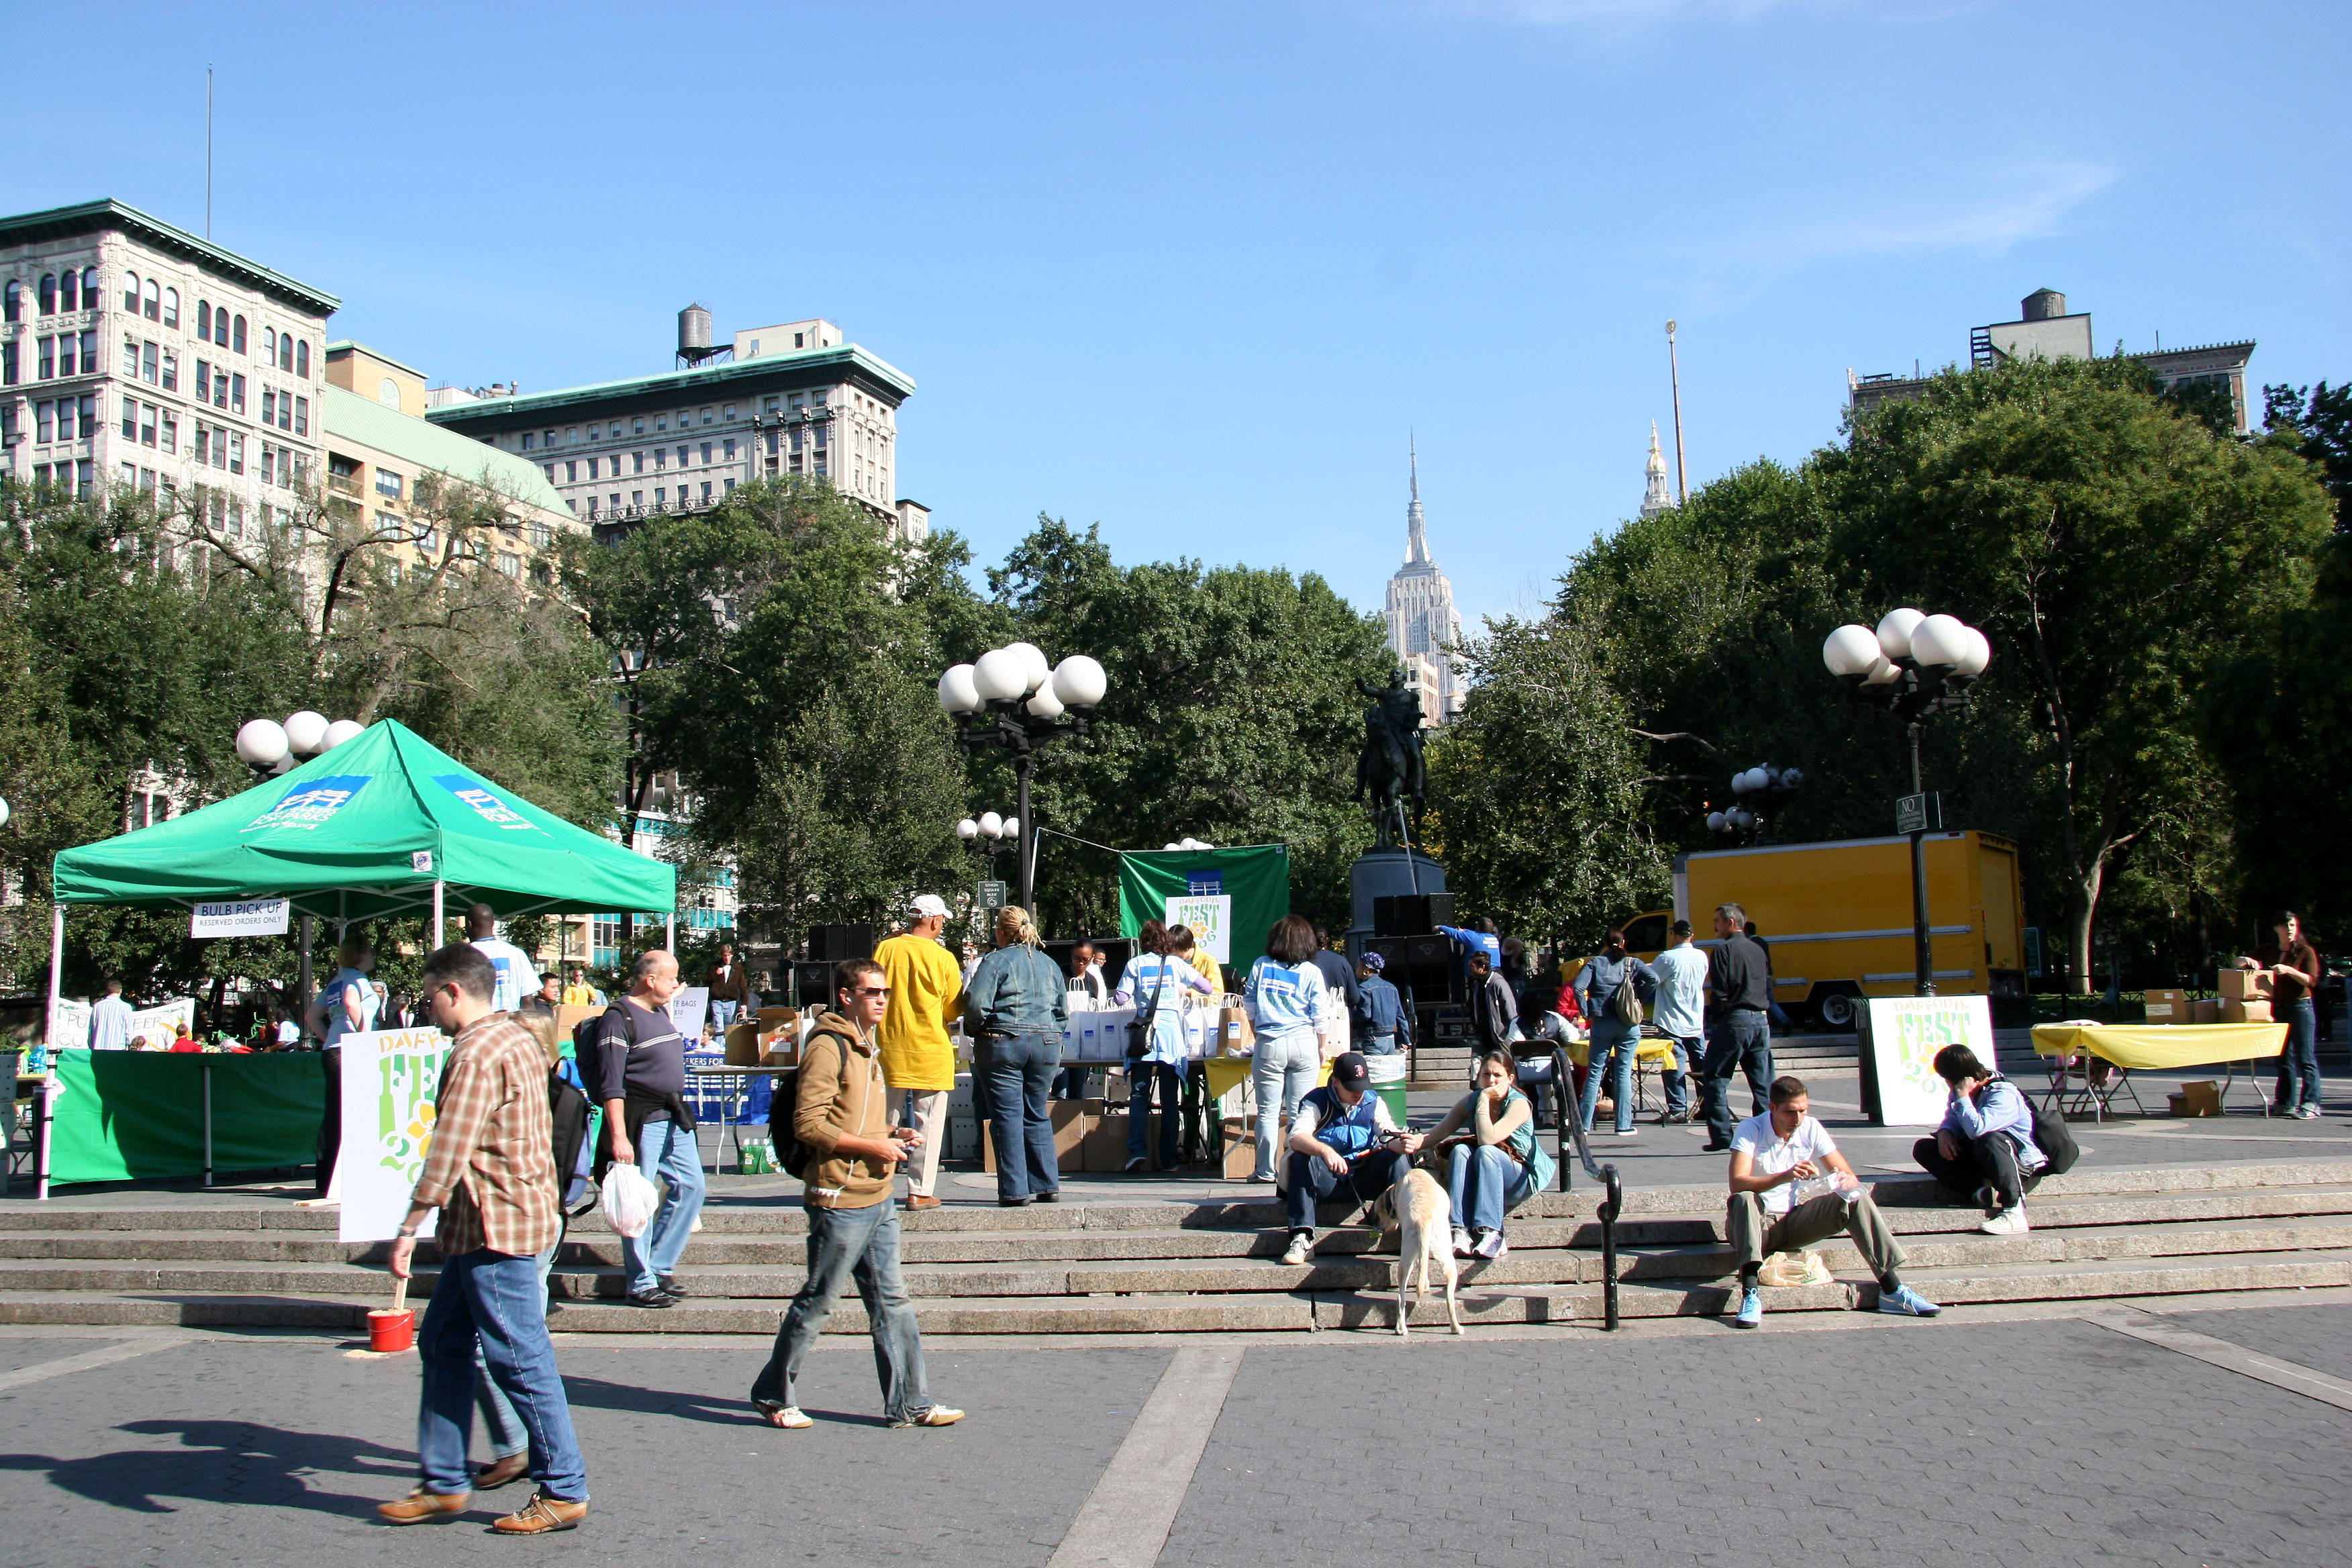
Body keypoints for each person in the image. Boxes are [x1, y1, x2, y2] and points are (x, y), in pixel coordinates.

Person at [376, 942, 587, 1534]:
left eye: (428, 998)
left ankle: (564, 1487)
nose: (428, 1011)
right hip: (496, 1219)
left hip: (498, 1225)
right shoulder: (518, 1037)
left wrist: (409, 1222)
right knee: (443, 1341)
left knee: (519, 1359)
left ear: (452, 992)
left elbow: (451, 1141)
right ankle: (444, 1481)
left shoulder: (476, 1051)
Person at [750, 958, 964, 1431]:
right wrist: (873, 1144)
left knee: (893, 1301)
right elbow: (810, 1124)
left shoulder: (869, 1045)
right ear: (847, 996)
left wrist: (892, 1132)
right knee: (820, 1300)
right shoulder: (828, 1046)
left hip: (877, 1193)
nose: (883, 999)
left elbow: (853, 1115)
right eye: (872, 992)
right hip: (839, 1195)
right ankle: (772, 1391)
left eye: (885, 992)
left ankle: (911, 1401)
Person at [1726, 1076, 1940, 1328]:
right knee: (1745, 1199)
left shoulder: (1811, 1128)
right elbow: (1737, 1183)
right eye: (1790, 1112)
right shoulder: (1751, 1129)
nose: (1798, 1119)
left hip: (1792, 1221)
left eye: (1804, 1110)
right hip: (1754, 1225)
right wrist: (1784, 1177)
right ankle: (1750, 1293)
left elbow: (1847, 1176)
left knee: (1855, 1198)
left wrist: (1838, 1182)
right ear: (1773, 1108)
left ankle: (1892, 1288)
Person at [469, 1010, 579, 1494]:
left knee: (506, 1349)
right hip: (543, 1216)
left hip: (516, 1222)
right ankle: (532, 1453)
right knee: (514, 1343)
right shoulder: (560, 1089)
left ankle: (533, 1455)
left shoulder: (523, 1092)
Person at [594, 949, 703, 1308]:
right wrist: (619, 1137)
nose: (677, 983)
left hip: (673, 1115)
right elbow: (612, 1083)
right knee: (637, 1204)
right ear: (650, 980)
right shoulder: (619, 1017)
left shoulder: (659, 1012)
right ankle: (640, 1281)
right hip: (641, 1119)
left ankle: (659, 1265)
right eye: (671, 977)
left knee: (691, 1186)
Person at [963, 905, 1071, 1207]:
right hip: (1046, 1043)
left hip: (1003, 1041)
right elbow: (1062, 1012)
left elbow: (975, 1004)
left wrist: (975, 1029)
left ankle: (1015, 1190)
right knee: (1036, 1112)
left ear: (1002, 932)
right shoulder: (1050, 964)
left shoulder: (995, 961)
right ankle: (1047, 1184)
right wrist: (1050, 1034)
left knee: (1007, 1116)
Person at [1277, 1051, 1420, 1265]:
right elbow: (1296, 1137)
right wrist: (1325, 1151)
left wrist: (1401, 1143)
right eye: (1352, 1088)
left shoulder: (1373, 1101)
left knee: (1397, 1158)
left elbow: (1386, 1132)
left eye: (1362, 1087)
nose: (1358, 1094)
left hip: (1362, 1176)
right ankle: (1302, 1237)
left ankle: (1409, 1232)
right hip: (1327, 1179)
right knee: (1301, 1158)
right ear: (1335, 1082)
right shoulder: (1316, 1101)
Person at [875, 894, 964, 1211]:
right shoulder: (944, 959)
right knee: (929, 1124)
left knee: (883, 1122)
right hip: (931, 1051)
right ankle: (920, 1192)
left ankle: (877, 1186)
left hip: (890, 1048)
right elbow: (954, 1010)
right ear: (935, 921)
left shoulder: (886, 949)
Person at [1422, 1050, 1555, 1259]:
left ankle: (1493, 1233)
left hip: (1520, 1178)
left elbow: (1488, 1139)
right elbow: (1439, 1132)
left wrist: (1484, 1099)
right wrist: (1412, 1142)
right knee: (1461, 1150)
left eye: (1497, 1075)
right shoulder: (1472, 1099)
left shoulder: (1518, 1103)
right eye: (1486, 1074)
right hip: (1485, 1175)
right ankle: (1460, 1230)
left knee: (1486, 1151)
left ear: (1510, 1079)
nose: (1491, 1080)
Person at [1912, 1043, 2045, 1235]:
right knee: (1925, 1148)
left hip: (2018, 1167)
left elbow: (1978, 1129)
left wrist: (1963, 1097)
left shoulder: (2003, 1093)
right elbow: (1953, 1118)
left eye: (1946, 1079)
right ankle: (1978, 1191)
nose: (1947, 1085)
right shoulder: (1961, 1092)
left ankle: (2014, 1210)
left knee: (1989, 1139)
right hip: (1985, 1160)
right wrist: (1945, 1132)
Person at [1115, 921, 1214, 1173]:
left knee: (1139, 1096)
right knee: (1170, 1100)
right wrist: (1182, 990)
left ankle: (1137, 1152)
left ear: (1144, 941)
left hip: (1143, 1037)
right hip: (1170, 1038)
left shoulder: (1134, 964)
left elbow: (1120, 998)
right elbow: (1208, 988)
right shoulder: (1177, 964)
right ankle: (1169, 1159)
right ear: (1167, 942)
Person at [1245, 916, 1330, 1183]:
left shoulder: (1261, 965)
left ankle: (1265, 1170)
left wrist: (1257, 1032)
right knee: (1301, 1111)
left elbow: (1249, 1004)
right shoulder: (1311, 971)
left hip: (1270, 1040)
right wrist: (1322, 1044)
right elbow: (1321, 1014)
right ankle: (1294, 1169)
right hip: (1304, 1040)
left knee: (1268, 1110)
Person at [309, 937, 381, 1195]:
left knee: (333, 1115)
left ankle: (326, 1179)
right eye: (370, 952)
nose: (374, 956)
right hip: (351, 1050)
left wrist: (327, 1036)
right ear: (360, 955)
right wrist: (362, 1034)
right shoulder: (358, 980)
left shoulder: (336, 981)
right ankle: (353, 1178)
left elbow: (311, 1016)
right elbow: (352, 1003)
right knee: (357, 1113)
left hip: (331, 1049)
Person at [1701, 903, 1774, 1154]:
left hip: (1735, 1019)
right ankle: (1768, 1134)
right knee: (1762, 1081)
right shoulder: (1757, 948)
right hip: (1760, 1019)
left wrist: (1717, 1018)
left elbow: (1720, 991)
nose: (1715, 926)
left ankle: (1722, 1135)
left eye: (1718, 921)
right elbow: (1765, 982)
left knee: (1715, 1077)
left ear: (1731, 922)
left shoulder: (1723, 950)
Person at [1572, 931, 1655, 1137]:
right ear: (1624, 942)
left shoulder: (1595, 964)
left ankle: (1584, 1124)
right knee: (1624, 1073)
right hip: (1628, 1024)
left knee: (1594, 1073)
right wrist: (1638, 999)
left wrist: (1586, 1009)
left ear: (1605, 944)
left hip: (1601, 1023)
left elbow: (1578, 987)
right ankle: (1623, 1124)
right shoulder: (1632, 963)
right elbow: (1654, 979)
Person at [2243, 912, 2323, 1119]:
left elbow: (2312, 981)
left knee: (2305, 1057)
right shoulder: (2269, 950)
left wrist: (2289, 970)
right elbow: (2240, 961)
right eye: (2285, 925)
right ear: (2276, 929)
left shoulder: (2305, 951)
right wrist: (2245, 961)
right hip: (2278, 1009)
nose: (2290, 929)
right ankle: (2285, 1103)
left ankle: (2311, 1103)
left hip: (2301, 1007)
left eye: (2293, 925)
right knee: (2283, 1058)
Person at [1647, 919, 1707, 1126]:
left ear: (1674, 935)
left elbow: (1651, 978)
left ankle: (1678, 1108)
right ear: (1692, 935)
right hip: (1695, 1018)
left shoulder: (1668, 957)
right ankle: (1708, 1103)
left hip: (1671, 1018)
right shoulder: (1701, 956)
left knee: (1674, 1065)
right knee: (1700, 1063)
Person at [1510, 997, 1579, 1126]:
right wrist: (1561, 1043)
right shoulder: (1555, 1017)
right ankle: (1553, 1115)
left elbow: (1515, 1045)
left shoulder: (1517, 1022)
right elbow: (1572, 1036)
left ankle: (1543, 1114)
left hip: (1528, 1070)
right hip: (1554, 1066)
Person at [464, 904, 542, 1016]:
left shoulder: (464, 955)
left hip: (477, 1026)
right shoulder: (516, 953)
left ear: (469, 924)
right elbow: (528, 1000)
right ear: (493, 923)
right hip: (509, 1027)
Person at [1055, 940, 1109, 1099]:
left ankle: (1075, 1123)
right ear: (1071, 955)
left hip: (1084, 1043)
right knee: (1061, 1092)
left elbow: (1097, 1010)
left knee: (1077, 1090)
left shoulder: (1092, 981)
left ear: (1092, 958)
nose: (1080, 963)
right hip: (1061, 1042)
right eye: (1076, 958)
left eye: (1085, 960)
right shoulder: (1060, 975)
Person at [1310, 926, 1362, 1060]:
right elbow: (1355, 997)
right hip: (1339, 1021)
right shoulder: (1342, 961)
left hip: (1312, 1023)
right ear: (1327, 940)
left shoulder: (1305, 963)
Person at [1351, 951, 1412, 1055]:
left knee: (1375, 1070)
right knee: (1387, 1070)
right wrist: (1406, 1039)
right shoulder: (1391, 987)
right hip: (1390, 1037)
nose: (1356, 968)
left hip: (1373, 1037)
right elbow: (1400, 1016)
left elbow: (1365, 1015)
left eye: (1359, 965)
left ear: (1367, 969)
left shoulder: (1364, 988)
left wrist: (1351, 1013)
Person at [1467, 949, 1518, 1057]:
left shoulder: (1498, 983)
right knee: (1477, 1067)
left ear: (1483, 968)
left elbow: (1510, 1011)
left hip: (1500, 1038)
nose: (1469, 970)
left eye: (1472, 966)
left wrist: (1506, 1033)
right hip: (1482, 1035)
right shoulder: (1477, 984)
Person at [705, 942, 748, 1035]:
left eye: (729, 955)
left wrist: (744, 1003)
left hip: (731, 1001)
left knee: (730, 1026)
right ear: (722, 956)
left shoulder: (737, 967)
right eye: (725, 955)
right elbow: (706, 980)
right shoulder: (715, 966)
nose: (727, 958)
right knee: (718, 1026)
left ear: (732, 955)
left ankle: (729, 1047)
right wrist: (716, 974)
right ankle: (719, 1046)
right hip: (717, 1001)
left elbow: (742, 986)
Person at [89, 980, 133, 1050]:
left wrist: (91, 1045)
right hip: (118, 1049)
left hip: (98, 1048)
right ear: (120, 991)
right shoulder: (125, 1007)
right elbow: (129, 1030)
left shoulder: (97, 1006)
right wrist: (130, 1043)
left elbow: (92, 1028)